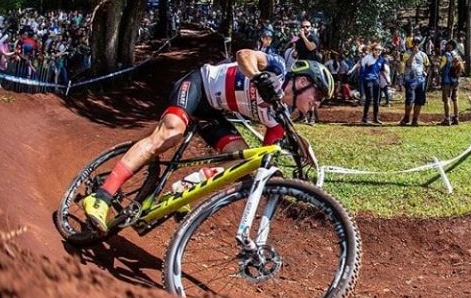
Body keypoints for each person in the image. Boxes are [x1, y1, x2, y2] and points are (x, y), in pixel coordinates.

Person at [81, 51, 334, 234]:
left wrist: (296, 148)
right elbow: (244, 54)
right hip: (198, 85)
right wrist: (257, 76)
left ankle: (184, 187)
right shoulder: (277, 68)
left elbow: (264, 154)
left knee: (244, 162)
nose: (318, 103)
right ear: (302, 82)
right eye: (318, 94)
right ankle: (102, 196)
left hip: (214, 114)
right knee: (171, 132)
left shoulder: (282, 116)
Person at [399, 36, 430, 126]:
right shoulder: (407, 53)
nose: (416, 44)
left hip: (420, 79)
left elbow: (427, 64)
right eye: (414, 43)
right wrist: (413, 53)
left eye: (418, 43)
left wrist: (425, 73)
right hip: (410, 80)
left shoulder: (423, 55)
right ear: (412, 43)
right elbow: (408, 64)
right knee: (409, 100)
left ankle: (415, 119)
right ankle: (406, 117)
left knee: (419, 101)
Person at [358, 43, 387, 125]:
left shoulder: (381, 59)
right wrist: (363, 78)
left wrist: (386, 80)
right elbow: (362, 67)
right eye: (376, 49)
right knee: (369, 99)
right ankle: (365, 118)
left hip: (376, 81)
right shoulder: (368, 58)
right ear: (372, 50)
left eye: (379, 50)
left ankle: (375, 118)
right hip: (368, 80)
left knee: (376, 100)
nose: (378, 51)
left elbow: (381, 71)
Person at [438, 39, 463, 126]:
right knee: (455, 99)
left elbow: (441, 67)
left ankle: (447, 119)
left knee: (446, 99)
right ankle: (456, 118)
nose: (445, 46)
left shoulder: (446, 55)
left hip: (446, 80)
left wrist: (439, 67)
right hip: (455, 80)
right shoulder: (457, 55)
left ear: (450, 46)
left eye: (447, 45)